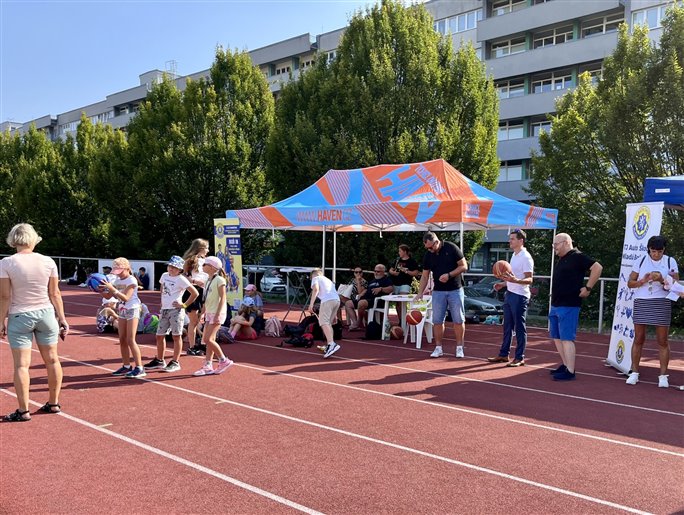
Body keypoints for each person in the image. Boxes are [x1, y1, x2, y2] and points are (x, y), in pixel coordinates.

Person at [0, 223, 68, 422]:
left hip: (20, 315)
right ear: (33, 238)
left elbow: (4, 296)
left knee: (22, 365)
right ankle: (54, 403)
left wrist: (0, 321)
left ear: (13, 239)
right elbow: (55, 293)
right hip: (46, 314)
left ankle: (23, 410)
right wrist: (62, 318)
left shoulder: (6, 263)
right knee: (53, 360)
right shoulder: (48, 261)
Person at [625, 235, 679, 388]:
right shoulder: (640, 260)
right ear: (648, 249)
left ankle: (663, 376)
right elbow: (630, 283)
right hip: (642, 300)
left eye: (659, 251)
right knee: (639, 338)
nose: (656, 254)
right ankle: (634, 372)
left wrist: (662, 279)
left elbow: (676, 284)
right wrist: (643, 281)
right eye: (653, 251)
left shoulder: (670, 261)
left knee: (662, 341)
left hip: (661, 301)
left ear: (664, 250)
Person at [549, 233, 603, 381]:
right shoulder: (562, 259)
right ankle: (566, 365)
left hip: (569, 304)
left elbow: (597, 268)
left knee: (566, 338)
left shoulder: (578, 256)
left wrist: (588, 288)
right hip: (556, 303)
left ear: (566, 242)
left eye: (556, 244)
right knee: (557, 337)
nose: (555, 247)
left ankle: (570, 371)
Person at [415, 231, 468, 359]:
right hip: (438, 291)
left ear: (437, 242)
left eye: (431, 247)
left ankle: (459, 347)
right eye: (427, 247)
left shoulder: (451, 247)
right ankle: (438, 348)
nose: (430, 249)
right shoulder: (428, 255)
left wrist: (449, 275)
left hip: (455, 289)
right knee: (437, 320)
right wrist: (420, 293)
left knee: (458, 319)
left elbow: (464, 266)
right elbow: (425, 275)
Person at [487, 229, 534, 367]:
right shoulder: (514, 255)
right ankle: (503, 354)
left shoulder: (526, 257)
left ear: (521, 241)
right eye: (510, 238)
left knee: (519, 327)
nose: (510, 241)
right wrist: (502, 284)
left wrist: (515, 281)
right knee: (507, 326)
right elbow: (512, 278)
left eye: (512, 239)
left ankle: (520, 357)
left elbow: (530, 279)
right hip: (510, 294)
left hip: (520, 296)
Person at [144, 256, 198, 373]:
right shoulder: (164, 276)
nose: (171, 269)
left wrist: (183, 305)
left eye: (174, 267)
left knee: (176, 336)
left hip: (175, 311)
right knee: (159, 335)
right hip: (164, 310)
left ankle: (175, 362)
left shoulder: (181, 279)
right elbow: (162, 288)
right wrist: (162, 301)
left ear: (180, 270)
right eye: (170, 266)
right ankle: (159, 360)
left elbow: (195, 293)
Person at [100, 257, 147, 378]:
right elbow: (109, 295)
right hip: (122, 310)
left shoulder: (131, 280)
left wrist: (113, 289)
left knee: (131, 339)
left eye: (119, 270)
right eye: (116, 270)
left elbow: (126, 297)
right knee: (122, 339)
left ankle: (140, 367)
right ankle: (126, 366)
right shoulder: (116, 280)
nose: (117, 273)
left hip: (132, 309)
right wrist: (99, 289)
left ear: (127, 268)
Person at [193, 256, 234, 376]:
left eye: (205, 264)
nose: (202, 266)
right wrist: (203, 313)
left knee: (207, 339)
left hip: (217, 313)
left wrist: (217, 314)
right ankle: (208, 365)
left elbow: (222, 298)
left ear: (212, 267)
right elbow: (206, 299)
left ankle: (223, 360)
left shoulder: (220, 280)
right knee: (209, 340)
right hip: (210, 312)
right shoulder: (208, 280)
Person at [183, 238, 209, 354]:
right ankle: (192, 347)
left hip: (205, 291)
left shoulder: (206, 261)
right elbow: (183, 276)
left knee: (200, 320)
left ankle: (200, 343)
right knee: (193, 322)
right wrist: (194, 281)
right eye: (206, 248)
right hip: (193, 291)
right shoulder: (190, 260)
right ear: (201, 248)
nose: (208, 250)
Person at [308, 268, 341, 358]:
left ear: (313, 275)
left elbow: (316, 290)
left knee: (323, 322)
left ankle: (331, 344)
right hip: (336, 300)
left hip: (327, 300)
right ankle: (330, 344)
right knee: (328, 323)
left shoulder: (316, 278)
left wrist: (311, 304)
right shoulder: (328, 280)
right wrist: (335, 315)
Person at [356, 264, 394, 328]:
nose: (376, 273)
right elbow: (367, 289)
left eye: (378, 271)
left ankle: (359, 322)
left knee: (361, 303)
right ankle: (356, 322)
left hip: (376, 301)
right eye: (375, 271)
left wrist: (381, 289)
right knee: (348, 303)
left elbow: (391, 289)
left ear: (383, 272)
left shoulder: (386, 280)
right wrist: (362, 293)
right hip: (366, 298)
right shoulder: (372, 281)